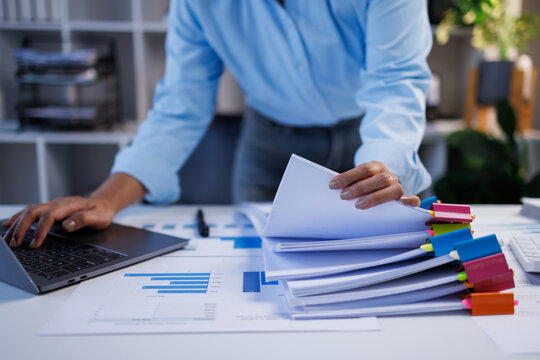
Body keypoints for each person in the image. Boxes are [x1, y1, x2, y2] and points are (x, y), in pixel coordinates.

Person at [4, 0, 432, 249]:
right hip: (272, 146)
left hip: (376, 134)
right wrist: (105, 199)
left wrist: (386, 163)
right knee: (271, 278)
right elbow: (181, 105)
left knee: (388, 269)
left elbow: (395, 82)